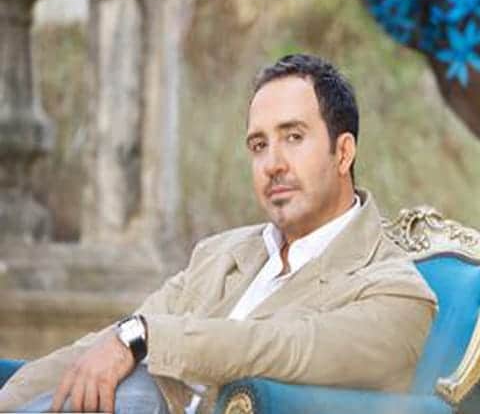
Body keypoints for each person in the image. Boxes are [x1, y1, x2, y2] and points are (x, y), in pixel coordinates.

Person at [0, 54, 437, 414]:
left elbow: (284, 347)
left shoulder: (396, 293)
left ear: (343, 153)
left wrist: (145, 337)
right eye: (259, 145)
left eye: (293, 137)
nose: (273, 164)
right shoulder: (220, 253)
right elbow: (104, 347)